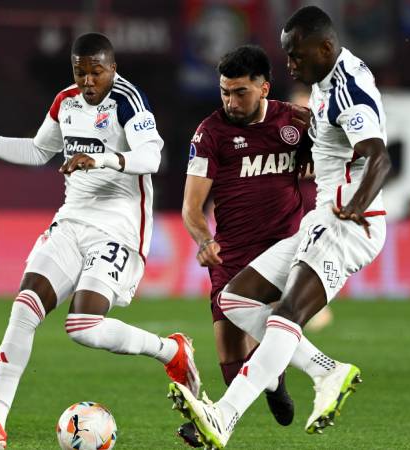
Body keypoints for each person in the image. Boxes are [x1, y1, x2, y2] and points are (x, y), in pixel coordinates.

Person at [0, 33, 200, 450]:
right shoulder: (65, 102)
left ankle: (171, 350)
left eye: (97, 71)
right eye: (80, 71)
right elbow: (40, 151)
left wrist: (103, 158)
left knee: (82, 325)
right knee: (25, 307)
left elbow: (153, 157)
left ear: (112, 68)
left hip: (118, 228)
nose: (88, 80)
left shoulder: (128, 101)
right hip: (71, 221)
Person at [167, 6, 391, 448]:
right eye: (287, 56)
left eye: (296, 56)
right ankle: (327, 370)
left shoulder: (344, 88)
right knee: (236, 298)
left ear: (325, 47)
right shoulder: (327, 83)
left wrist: (355, 207)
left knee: (286, 316)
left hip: (347, 222)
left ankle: (224, 417)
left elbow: (379, 157)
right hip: (321, 220)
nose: (290, 64)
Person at [178, 44, 344, 447]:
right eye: (224, 92)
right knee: (232, 363)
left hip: (285, 249)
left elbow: (338, 153)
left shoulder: (297, 122)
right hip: (231, 254)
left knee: (274, 323)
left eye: (240, 92)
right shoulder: (210, 132)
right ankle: (274, 383)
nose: (230, 101)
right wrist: (204, 240)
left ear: (264, 88)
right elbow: (190, 206)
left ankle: (219, 418)